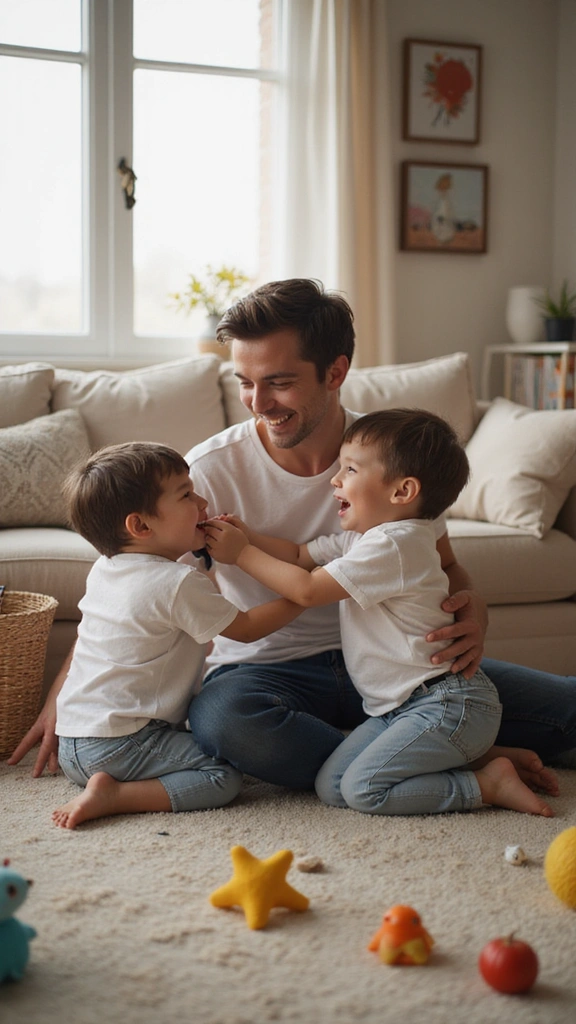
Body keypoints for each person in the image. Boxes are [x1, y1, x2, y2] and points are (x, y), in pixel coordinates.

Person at [8, 279, 575, 784]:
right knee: (226, 726)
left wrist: (473, 608)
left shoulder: (392, 458)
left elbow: (446, 565)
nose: (259, 405)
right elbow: (132, 587)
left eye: (278, 383)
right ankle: (451, 756)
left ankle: (409, 747)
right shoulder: (205, 474)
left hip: (402, 667)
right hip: (264, 675)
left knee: (563, 710)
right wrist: (67, 701)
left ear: (335, 371)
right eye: (245, 383)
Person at [203, 409, 553, 817]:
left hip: (442, 700)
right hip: (400, 706)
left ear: (403, 492)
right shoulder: (366, 539)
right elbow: (299, 556)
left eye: (349, 469)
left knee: (364, 789)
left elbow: (309, 588)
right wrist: (247, 536)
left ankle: (485, 785)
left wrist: (241, 554)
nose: (335, 480)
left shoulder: (396, 544)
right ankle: (466, 754)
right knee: (333, 787)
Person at [50, 442, 301, 830]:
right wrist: (304, 594)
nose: (202, 502)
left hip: (72, 743)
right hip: (124, 743)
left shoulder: (106, 568)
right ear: (141, 526)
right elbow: (247, 628)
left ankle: (106, 782)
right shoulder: (176, 582)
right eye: (186, 495)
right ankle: (116, 795)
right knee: (222, 778)